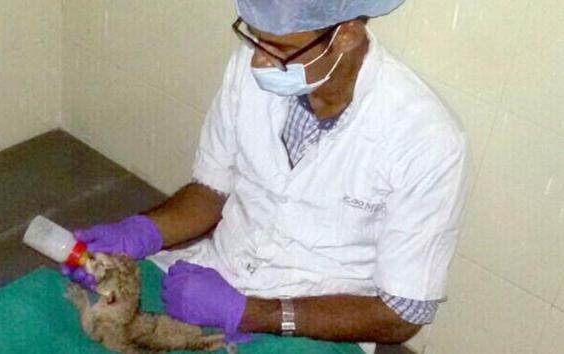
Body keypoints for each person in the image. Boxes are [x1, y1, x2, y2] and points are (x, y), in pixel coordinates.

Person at [64, 0, 468, 352]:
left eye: (277, 48)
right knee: (20, 311)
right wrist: (136, 233)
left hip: (314, 326)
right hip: (213, 274)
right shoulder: (253, 64)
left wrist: (250, 313)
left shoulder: (426, 139)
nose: (258, 62)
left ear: (345, 36)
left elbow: (401, 315)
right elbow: (210, 190)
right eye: (255, 39)